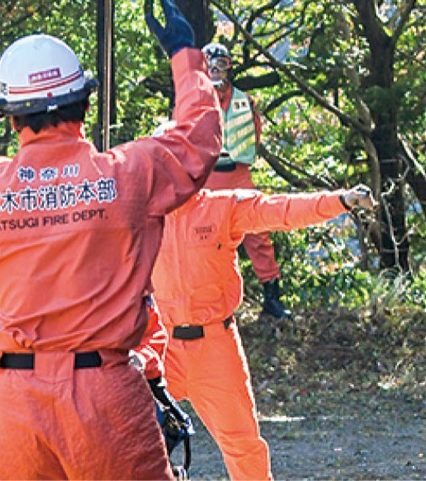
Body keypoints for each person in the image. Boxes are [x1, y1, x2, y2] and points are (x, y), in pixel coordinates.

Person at [0, 0, 222, 481]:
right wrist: (185, 55)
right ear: (85, 103)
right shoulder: (129, 174)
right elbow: (199, 137)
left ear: (11, 117)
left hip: (12, 402)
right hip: (103, 393)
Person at [152, 168, 374, 481]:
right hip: (161, 349)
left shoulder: (223, 207)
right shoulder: (141, 215)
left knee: (243, 447)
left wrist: (340, 201)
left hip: (215, 347)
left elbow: (281, 211)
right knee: (130, 441)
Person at [201, 42, 289, 319]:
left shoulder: (245, 100)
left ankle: (272, 297)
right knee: (205, 236)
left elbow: (255, 133)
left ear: (229, 67)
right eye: (210, 66)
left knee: (258, 233)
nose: (215, 71)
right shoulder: (194, 100)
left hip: (238, 172)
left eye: (221, 65)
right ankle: (210, 301)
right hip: (208, 176)